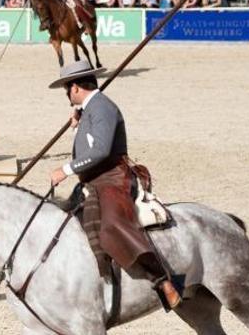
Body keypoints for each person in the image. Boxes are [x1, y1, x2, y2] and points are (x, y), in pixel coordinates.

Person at [48, 60, 181, 310]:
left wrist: (65, 170)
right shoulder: (90, 109)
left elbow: (100, 151)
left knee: (111, 225)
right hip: (94, 177)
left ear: (75, 87)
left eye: (67, 89)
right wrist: (78, 125)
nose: (67, 95)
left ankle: (161, 279)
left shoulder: (102, 108)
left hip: (113, 177)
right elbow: (89, 144)